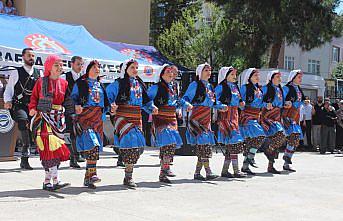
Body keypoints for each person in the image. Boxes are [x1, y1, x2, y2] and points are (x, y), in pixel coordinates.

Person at [106, 59, 157, 188]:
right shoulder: (118, 83)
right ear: (125, 70)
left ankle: (127, 171)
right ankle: (128, 177)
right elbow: (108, 97)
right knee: (130, 143)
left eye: (136, 67)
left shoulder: (140, 84)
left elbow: (146, 101)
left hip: (136, 117)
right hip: (123, 116)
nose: (135, 70)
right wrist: (111, 106)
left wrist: (152, 107)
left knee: (138, 148)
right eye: (132, 67)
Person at [29, 55, 71, 191]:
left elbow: (68, 101)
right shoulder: (41, 82)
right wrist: (32, 108)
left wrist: (75, 110)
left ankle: (47, 181)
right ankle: (56, 180)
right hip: (44, 117)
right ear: (49, 67)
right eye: (56, 65)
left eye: (61, 65)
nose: (60, 67)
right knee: (49, 147)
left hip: (58, 119)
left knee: (54, 151)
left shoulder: (64, 83)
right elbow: (34, 97)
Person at [147, 64, 192, 183]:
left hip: (172, 117)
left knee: (170, 144)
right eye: (168, 71)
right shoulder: (155, 87)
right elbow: (146, 99)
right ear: (161, 74)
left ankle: (163, 171)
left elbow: (177, 100)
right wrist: (151, 107)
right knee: (168, 140)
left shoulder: (174, 87)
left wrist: (186, 105)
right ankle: (166, 168)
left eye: (172, 72)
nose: (171, 74)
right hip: (161, 118)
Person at [71, 60, 110, 189]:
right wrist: (76, 106)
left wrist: (110, 109)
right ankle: (93, 174)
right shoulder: (80, 84)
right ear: (87, 69)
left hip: (98, 119)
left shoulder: (100, 85)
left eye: (98, 67)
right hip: (85, 117)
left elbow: (106, 103)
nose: (97, 69)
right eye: (94, 67)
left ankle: (88, 178)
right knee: (92, 144)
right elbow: (73, 98)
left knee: (94, 146)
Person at [182, 63, 220, 181]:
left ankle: (197, 173)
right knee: (204, 143)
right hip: (197, 117)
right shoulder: (195, 84)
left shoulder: (210, 86)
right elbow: (185, 98)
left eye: (209, 70)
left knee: (204, 144)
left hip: (206, 117)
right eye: (206, 70)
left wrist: (221, 106)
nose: (209, 72)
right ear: (200, 72)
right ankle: (208, 172)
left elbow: (213, 102)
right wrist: (186, 104)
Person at [4, 48, 40, 170]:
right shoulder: (16, 72)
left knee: (31, 129)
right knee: (24, 124)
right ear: (23, 57)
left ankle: (24, 161)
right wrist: (7, 100)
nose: (32, 58)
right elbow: (9, 89)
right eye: (29, 55)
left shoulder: (37, 73)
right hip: (19, 105)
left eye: (33, 56)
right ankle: (25, 154)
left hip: (32, 107)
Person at [215, 66, 245, 178]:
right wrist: (220, 106)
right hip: (226, 116)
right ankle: (236, 171)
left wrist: (241, 104)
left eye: (234, 75)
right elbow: (214, 100)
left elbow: (239, 100)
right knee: (234, 141)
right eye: (232, 74)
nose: (234, 76)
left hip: (235, 116)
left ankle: (225, 170)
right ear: (225, 75)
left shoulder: (235, 87)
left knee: (231, 144)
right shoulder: (220, 87)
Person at [240, 68, 266, 175]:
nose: (257, 77)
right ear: (249, 77)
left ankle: (245, 165)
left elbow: (261, 103)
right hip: (247, 115)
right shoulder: (244, 88)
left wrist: (267, 105)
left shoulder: (259, 89)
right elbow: (239, 100)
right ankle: (250, 157)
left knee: (251, 141)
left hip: (256, 116)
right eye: (255, 75)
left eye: (258, 75)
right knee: (260, 136)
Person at [61, 56, 85, 168]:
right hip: (68, 108)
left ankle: (78, 154)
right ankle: (73, 158)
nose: (80, 66)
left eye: (81, 64)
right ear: (72, 64)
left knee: (80, 132)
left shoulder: (84, 79)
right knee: (71, 133)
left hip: (82, 109)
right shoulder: (65, 77)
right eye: (78, 64)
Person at [260, 70, 286, 174]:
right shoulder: (265, 88)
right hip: (268, 115)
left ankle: (270, 166)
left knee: (274, 139)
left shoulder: (280, 89)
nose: (279, 79)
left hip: (277, 115)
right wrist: (266, 104)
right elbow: (258, 101)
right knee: (280, 135)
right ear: (271, 78)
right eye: (277, 77)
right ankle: (267, 150)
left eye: (280, 77)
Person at [282, 69, 305, 172]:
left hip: (295, 115)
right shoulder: (286, 88)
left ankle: (287, 161)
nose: (301, 79)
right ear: (293, 77)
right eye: (299, 77)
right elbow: (280, 100)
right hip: (287, 115)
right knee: (293, 136)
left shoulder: (299, 89)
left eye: (301, 77)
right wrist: (286, 103)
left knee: (295, 139)